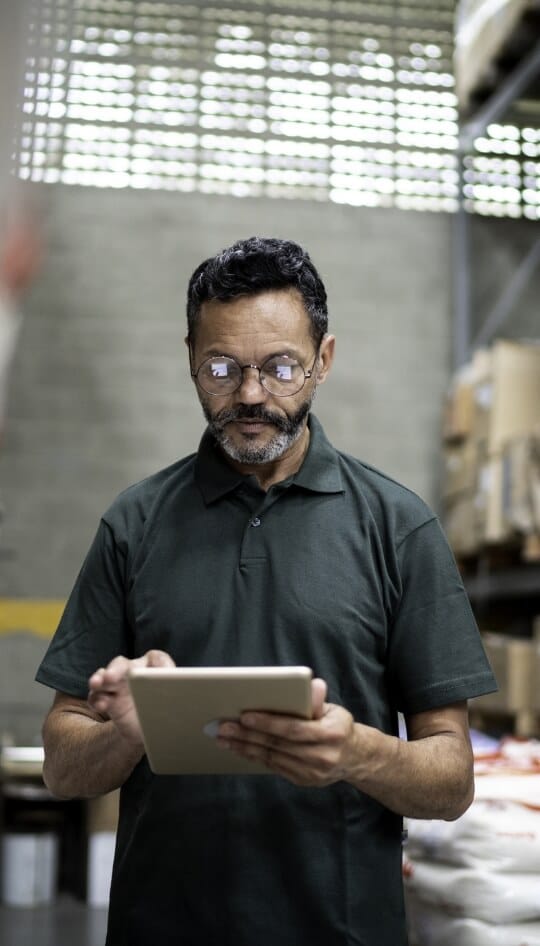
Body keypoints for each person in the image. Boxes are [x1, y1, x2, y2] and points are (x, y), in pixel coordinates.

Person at [36, 236, 497, 946]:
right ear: (190, 355)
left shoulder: (397, 527)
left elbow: (452, 778)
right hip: (162, 927)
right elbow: (64, 768)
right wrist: (132, 729)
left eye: (281, 367)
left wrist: (358, 754)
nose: (250, 395)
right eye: (222, 367)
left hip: (340, 929)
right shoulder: (135, 523)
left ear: (324, 361)